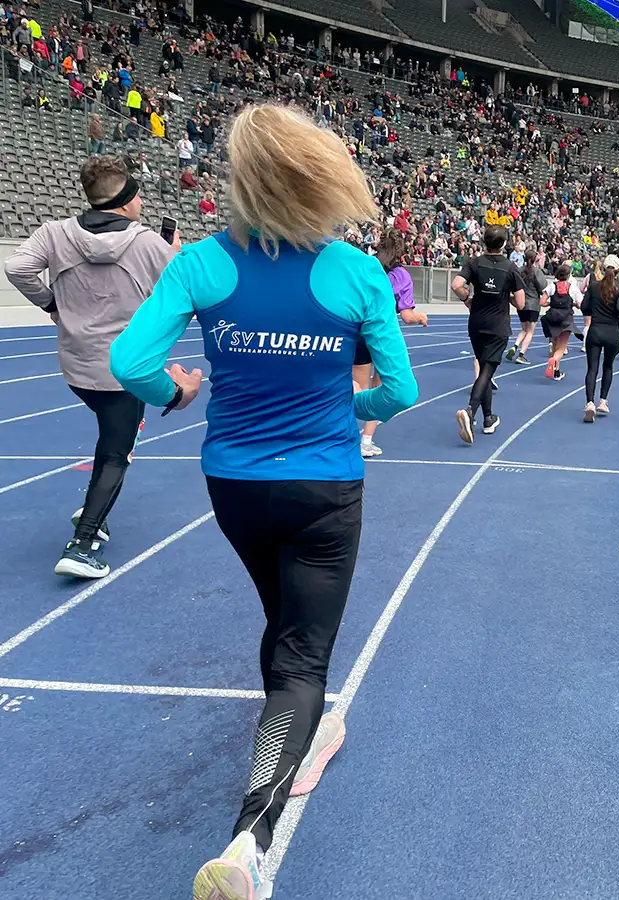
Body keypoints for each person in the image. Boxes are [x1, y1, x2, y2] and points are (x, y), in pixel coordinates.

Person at [108, 103, 418, 900]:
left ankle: (297, 732)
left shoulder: (201, 264)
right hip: (324, 485)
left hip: (236, 485)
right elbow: (401, 391)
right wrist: (344, 409)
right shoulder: (356, 272)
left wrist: (173, 393)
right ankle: (251, 839)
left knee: (283, 623)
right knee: (303, 656)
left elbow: (130, 362)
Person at [4, 156, 177, 578]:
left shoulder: (55, 232)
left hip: (78, 367)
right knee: (118, 453)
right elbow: (178, 289)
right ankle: (82, 544)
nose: (141, 204)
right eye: (138, 197)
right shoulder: (148, 242)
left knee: (112, 438)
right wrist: (170, 256)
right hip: (125, 369)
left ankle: (93, 507)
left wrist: (51, 304)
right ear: (127, 200)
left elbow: (17, 267)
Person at [451, 224, 525, 444]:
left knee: (484, 368)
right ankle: (470, 411)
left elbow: (456, 284)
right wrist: (507, 296)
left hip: (476, 323)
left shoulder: (474, 263)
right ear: (504, 244)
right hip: (497, 325)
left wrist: (467, 299)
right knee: (488, 370)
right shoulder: (510, 268)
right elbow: (521, 303)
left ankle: (488, 418)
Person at [355, 229, 427, 458]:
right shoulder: (401, 275)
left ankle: (346, 436)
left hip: (357, 331)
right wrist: (420, 317)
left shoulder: (365, 267)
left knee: (356, 388)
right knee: (379, 388)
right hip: (381, 335)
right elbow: (407, 315)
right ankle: (366, 440)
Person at [580, 254, 619, 421]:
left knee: (592, 368)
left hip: (595, 330)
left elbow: (584, 307)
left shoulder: (594, 286)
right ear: (618, 271)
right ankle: (603, 401)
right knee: (608, 367)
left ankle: (589, 403)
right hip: (612, 332)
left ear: (603, 269)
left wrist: (593, 311)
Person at [507, 247, 548, 365]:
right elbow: (543, 287)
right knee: (530, 331)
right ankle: (521, 354)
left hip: (521, 304)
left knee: (524, 329)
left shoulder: (519, 270)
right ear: (535, 259)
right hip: (533, 304)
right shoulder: (537, 271)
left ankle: (515, 346)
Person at [543, 263, 578, 382]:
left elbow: (542, 302)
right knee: (561, 348)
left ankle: (556, 372)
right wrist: (573, 304)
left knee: (554, 344)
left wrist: (551, 303)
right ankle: (553, 361)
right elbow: (580, 304)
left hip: (553, 318)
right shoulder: (572, 288)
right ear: (568, 275)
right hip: (566, 319)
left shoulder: (551, 286)